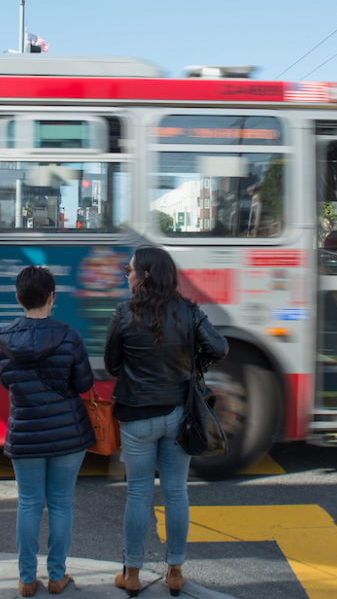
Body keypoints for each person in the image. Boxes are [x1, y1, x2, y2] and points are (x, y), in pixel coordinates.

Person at [104, 246, 228, 597]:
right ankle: (174, 571)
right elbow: (219, 348)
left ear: (144, 275)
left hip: (137, 417)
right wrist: (193, 365)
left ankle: (131, 573)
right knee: (176, 492)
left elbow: (113, 365)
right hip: (180, 415)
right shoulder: (190, 312)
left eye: (128, 270)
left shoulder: (123, 313)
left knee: (139, 493)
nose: (124, 275)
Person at [0, 265, 96, 597]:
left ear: (19, 298)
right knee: (62, 503)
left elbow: (6, 381)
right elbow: (83, 384)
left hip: (25, 432)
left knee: (29, 504)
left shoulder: (3, 339)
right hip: (68, 433)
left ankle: (26, 579)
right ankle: (56, 576)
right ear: (52, 297)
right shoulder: (69, 336)